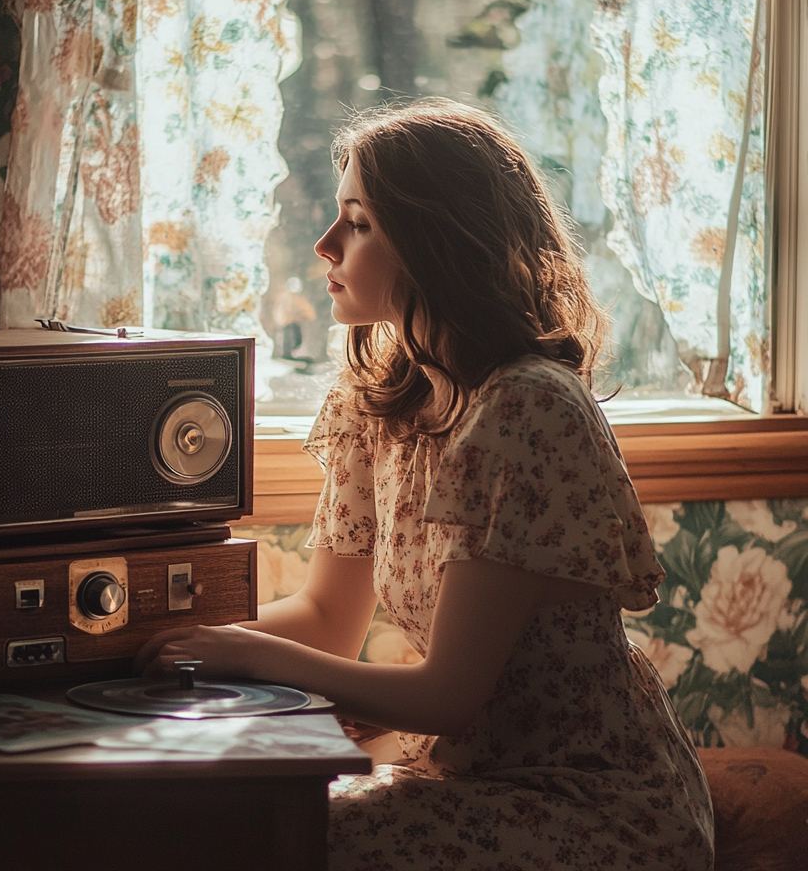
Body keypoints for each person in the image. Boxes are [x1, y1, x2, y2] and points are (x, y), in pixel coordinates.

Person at [135, 99, 714, 871]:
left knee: (275, 835)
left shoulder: (529, 407)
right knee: (208, 814)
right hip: (467, 778)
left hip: (590, 803)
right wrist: (144, 651)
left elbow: (448, 697)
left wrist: (241, 655)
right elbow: (325, 616)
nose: (324, 244)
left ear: (439, 244)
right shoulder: (378, 398)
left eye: (359, 222)